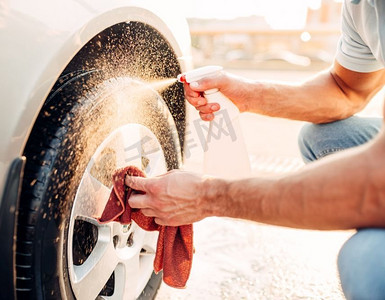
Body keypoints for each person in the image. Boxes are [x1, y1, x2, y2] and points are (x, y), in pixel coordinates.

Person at [125, 1, 385, 299]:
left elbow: (376, 187)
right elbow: (346, 90)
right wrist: (247, 95)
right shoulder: (361, 6)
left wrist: (208, 197)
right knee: (326, 139)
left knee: (366, 260)